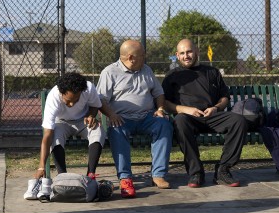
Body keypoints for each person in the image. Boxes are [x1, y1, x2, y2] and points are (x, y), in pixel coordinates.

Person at [162, 38, 247, 188]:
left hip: (212, 116)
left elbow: (224, 97)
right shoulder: (172, 75)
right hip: (188, 118)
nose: (186, 56)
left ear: (196, 52)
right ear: (177, 55)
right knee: (180, 121)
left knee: (238, 121)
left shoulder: (212, 72)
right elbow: (165, 104)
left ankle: (223, 170)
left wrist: (216, 108)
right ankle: (196, 172)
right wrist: (186, 109)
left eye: (189, 51)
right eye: (182, 53)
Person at [96, 39, 173, 198]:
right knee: (116, 130)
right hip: (122, 119)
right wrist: (111, 114)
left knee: (164, 125)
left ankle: (158, 175)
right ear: (131, 57)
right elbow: (101, 100)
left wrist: (159, 109)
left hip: (147, 117)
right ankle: (125, 178)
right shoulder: (109, 72)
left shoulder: (147, 70)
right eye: (143, 55)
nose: (145, 57)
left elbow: (158, 93)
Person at [35, 71, 108, 179]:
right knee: (55, 137)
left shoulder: (88, 88)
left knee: (98, 130)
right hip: (61, 122)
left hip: (83, 121)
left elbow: (95, 105)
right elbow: (47, 135)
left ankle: (90, 174)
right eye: (68, 100)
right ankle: (62, 176)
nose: (72, 104)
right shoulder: (53, 97)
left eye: (76, 100)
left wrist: (91, 115)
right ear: (61, 93)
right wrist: (41, 167)